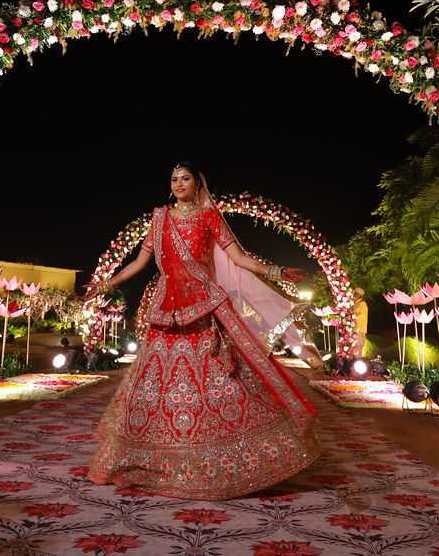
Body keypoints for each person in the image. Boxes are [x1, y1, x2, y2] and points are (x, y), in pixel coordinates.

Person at [83, 161, 321, 500]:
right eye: (174, 179)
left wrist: (276, 271)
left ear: (199, 184)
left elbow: (239, 258)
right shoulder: (159, 218)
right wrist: (103, 285)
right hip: (167, 307)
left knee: (217, 378)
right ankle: (155, 457)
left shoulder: (209, 217)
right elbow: (139, 262)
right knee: (158, 383)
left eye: (186, 179)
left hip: (203, 304)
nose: (179, 184)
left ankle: (222, 462)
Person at [353, 287, 369, 357]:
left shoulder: (363, 303)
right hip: (353, 328)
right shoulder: (353, 303)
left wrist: (353, 316)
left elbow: (362, 315)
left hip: (360, 328)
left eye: (358, 293)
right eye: (355, 293)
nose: (356, 294)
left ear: (360, 295)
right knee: (352, 347)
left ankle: (358, 361)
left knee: (359, 346)